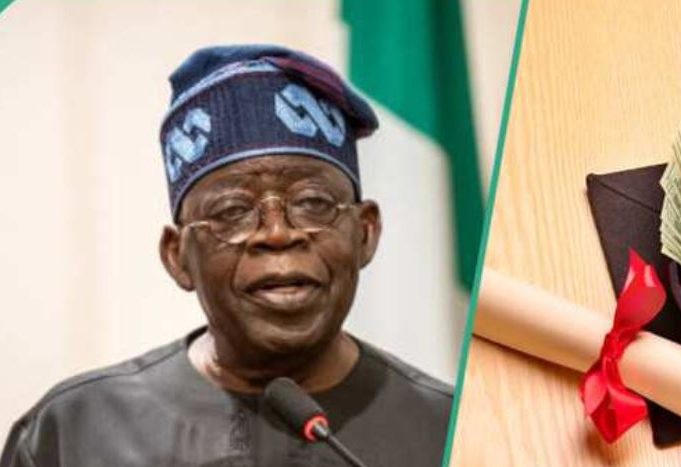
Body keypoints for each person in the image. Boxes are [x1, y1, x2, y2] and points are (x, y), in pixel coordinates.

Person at [0, 45, 452, 467]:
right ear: (177, 257)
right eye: (233, 212)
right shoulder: (72, 430)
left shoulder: (453, 430)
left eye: (313, 203)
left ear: (366, 233)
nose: (277, 235)